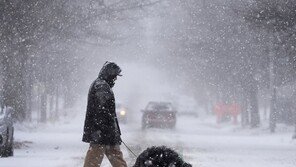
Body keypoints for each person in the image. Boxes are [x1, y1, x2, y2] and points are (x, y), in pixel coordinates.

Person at [82, 61, 127, 167]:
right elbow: (103, 113)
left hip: (102, 133)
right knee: (95, 160)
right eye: (114, 76)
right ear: (109, 74)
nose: (115, 79)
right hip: (102, 134)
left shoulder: (100, 84)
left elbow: (104, 113)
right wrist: (110, 132)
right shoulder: (102, 87)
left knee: (100, 159)